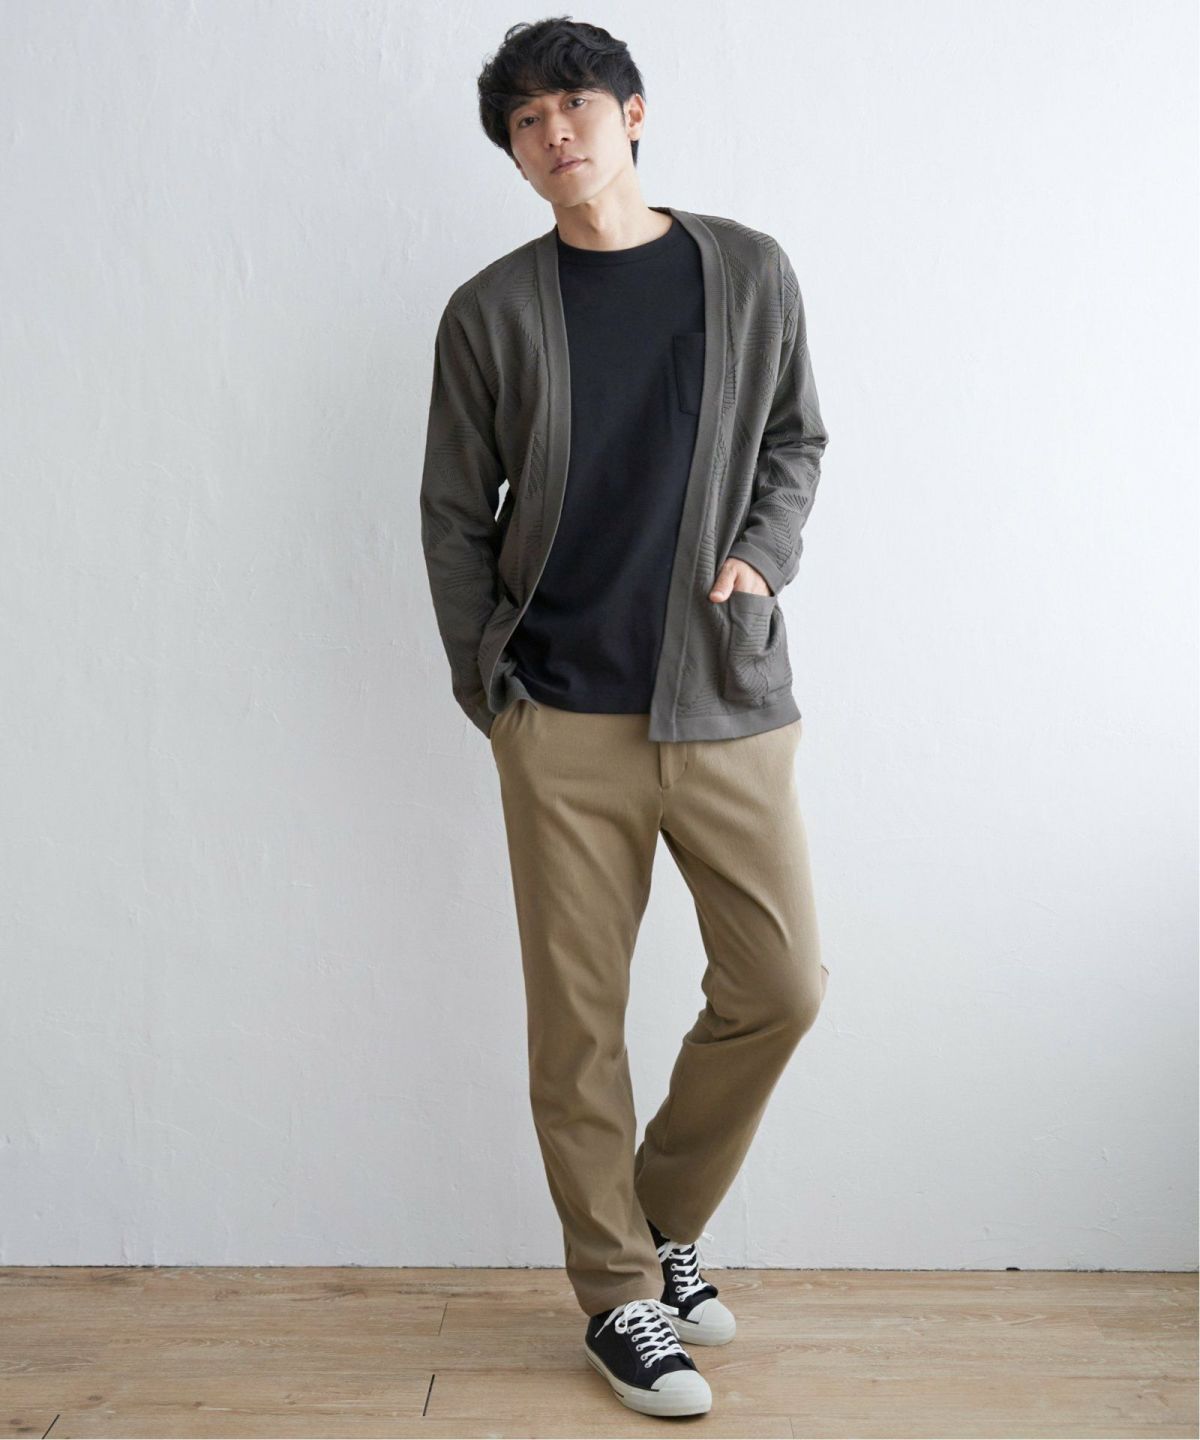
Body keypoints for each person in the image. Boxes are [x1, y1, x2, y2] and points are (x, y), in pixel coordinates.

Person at [419, 16, 831, 1421]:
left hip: (725, 701)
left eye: (576, 105)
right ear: (515, 151)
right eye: (526, 122)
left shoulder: (748, 270)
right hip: (561, 713)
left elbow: (794, 440)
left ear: (633, 113)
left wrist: (760, 557)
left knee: (782, 986)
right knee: (578, 1026)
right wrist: (491, 693)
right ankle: (616, 1298)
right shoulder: (490, 311)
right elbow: (453, 511)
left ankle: (658, 1218)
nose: (556, 135)